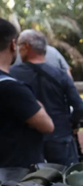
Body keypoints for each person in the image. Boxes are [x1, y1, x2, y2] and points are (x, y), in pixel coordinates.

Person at [11, 30, 83, 166]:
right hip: (60, 137)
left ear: (26, 46)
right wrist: (72, 123)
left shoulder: (12, 74)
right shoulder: (61, 75)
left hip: (25, 140)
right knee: (64, 181)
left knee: (28, 183)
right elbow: (79, 106)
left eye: (19, 45)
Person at [0, 18, 54, 168]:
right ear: (12, 44)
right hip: (14, 175)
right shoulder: (12, 88)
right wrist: (37, 104)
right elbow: (47, 125)